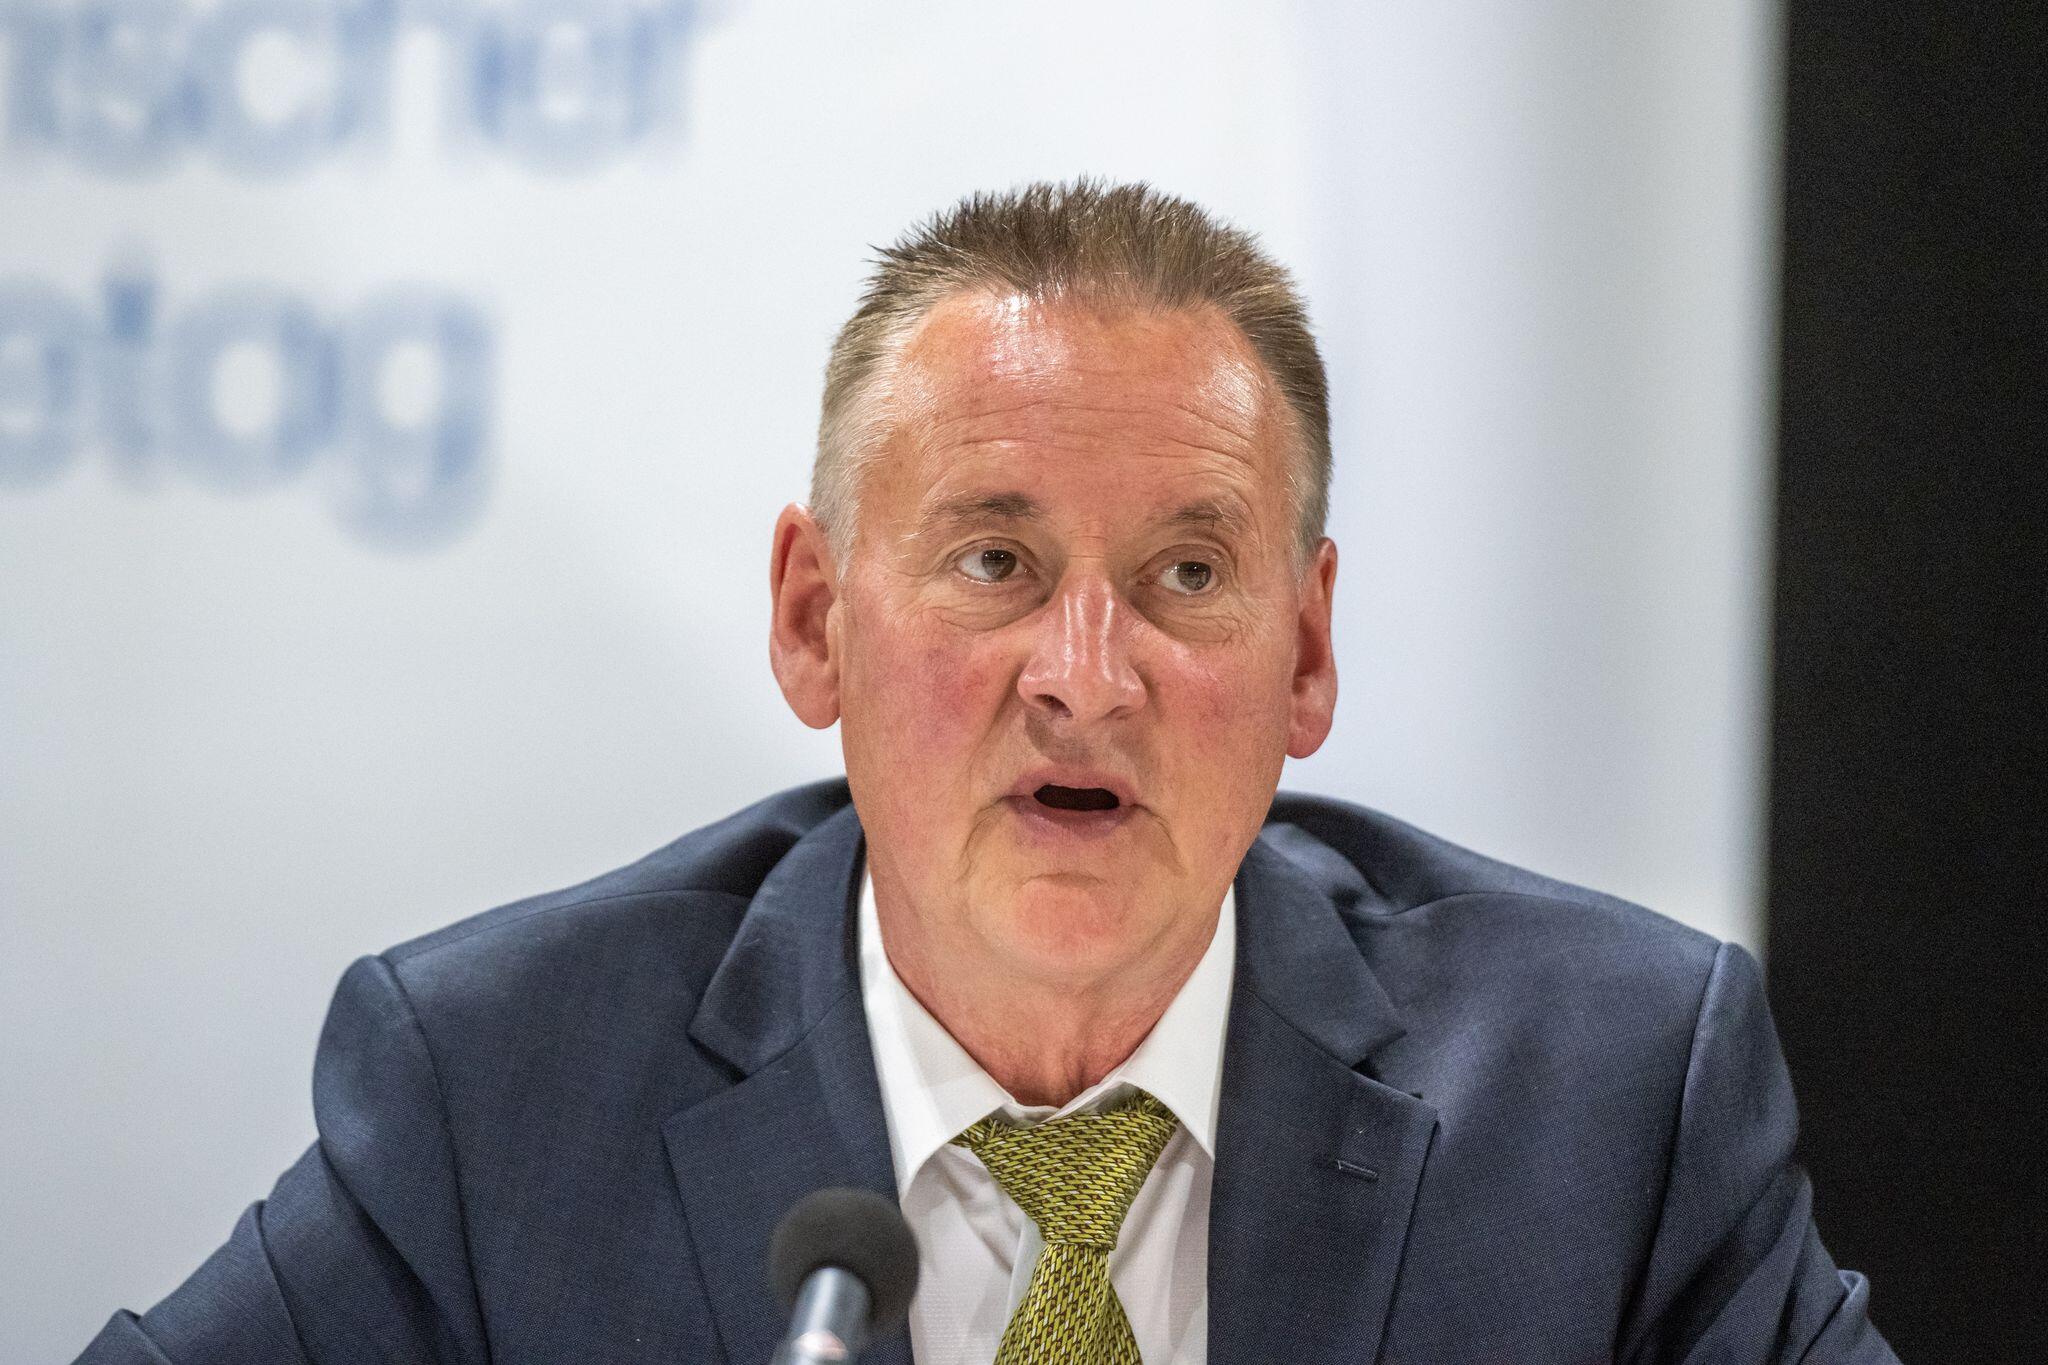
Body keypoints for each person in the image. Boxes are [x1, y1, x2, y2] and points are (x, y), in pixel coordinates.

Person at [73, 180, 1899, 1364]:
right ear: (814, 620)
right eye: (996, 561)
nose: (1084, 676)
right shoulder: (503, 1094)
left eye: (1187, 574)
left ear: (1307, 654)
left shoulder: (1611, 1098)